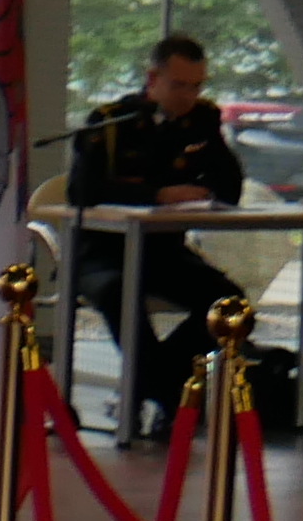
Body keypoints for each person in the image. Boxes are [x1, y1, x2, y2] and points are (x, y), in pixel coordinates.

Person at [67, 34, 248, 426]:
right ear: (152, 79)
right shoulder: (112, 121)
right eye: (178, 85)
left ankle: (152, 386)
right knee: (119, 293)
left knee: (231, 306)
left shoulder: (200, 121)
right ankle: (171, 396)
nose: (188, 96)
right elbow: (81, 191)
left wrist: (206, 179)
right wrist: (156, 194)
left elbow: (230, 188)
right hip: (102, 252)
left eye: (196, 86)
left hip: (163, 251)